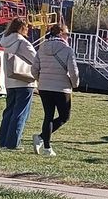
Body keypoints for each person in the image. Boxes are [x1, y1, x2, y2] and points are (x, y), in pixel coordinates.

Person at [31, 25, 79, 158]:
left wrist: (41, 79)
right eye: (67, 34)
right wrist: (74, 84)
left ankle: (45, 145)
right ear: (61, 34)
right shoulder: (67, 50)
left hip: (45, 87)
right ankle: (42, 139)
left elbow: (34, 69)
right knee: (64, 116)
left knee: (48, 116)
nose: (68, 36)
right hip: (62, 88)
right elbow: (73, 71)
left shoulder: (42, 48)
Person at [0, 18, 38, 151]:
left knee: (9, 112)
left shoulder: (6, 42)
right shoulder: (23, 43)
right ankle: (13, 143)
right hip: (24, 80)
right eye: (26, 28)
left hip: (10, 81)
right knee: (20, 113)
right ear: (21, 28)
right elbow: (36, 60)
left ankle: (3, 141)